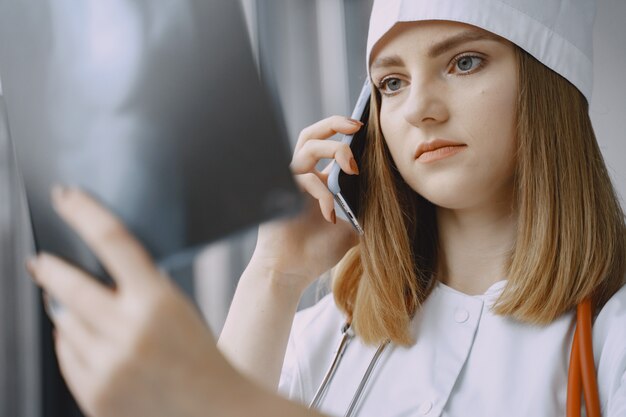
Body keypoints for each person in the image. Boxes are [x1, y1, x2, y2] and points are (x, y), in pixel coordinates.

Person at [26, 1, 625, 417]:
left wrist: (221, 399)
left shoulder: (610, 337)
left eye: (463, 62)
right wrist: (274, 275)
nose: (420, 109)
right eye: (391, 83)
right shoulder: (330, 331)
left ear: (549, 87)